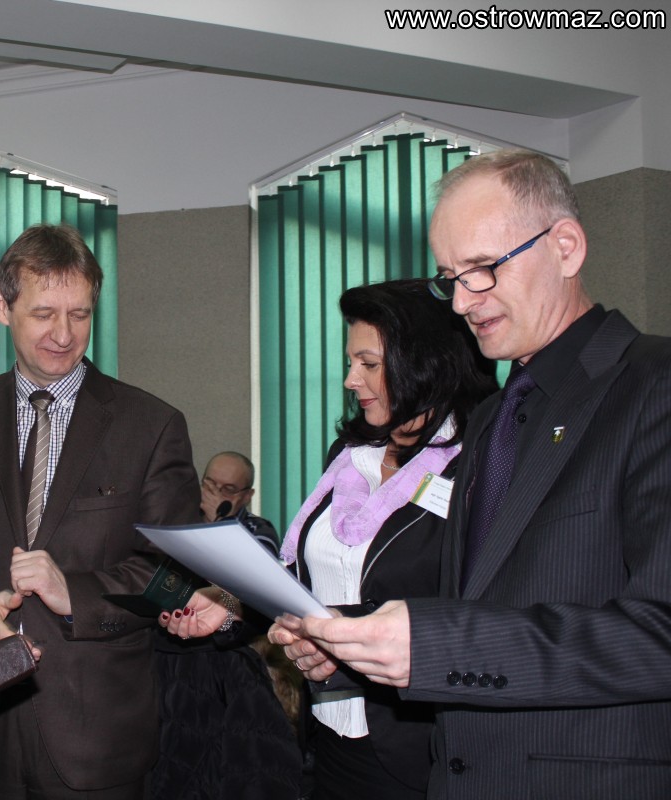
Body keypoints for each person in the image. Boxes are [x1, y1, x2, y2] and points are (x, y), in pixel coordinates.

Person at [276, 148, 671, 798]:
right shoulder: (493, 418)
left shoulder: (653, 386)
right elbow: (479, 605)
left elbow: (658, 632)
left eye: (484, 269)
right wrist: (349, 644)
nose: (462, 301)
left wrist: (436, 646)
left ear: (566, 247)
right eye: (449, 278)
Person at [0, 223, 200, 799]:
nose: (63, 334)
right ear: (3, 308)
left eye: (79, 315)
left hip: (96, 735)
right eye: (44, 314)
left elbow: (174, 576)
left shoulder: (150, 426)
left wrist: (74, 594)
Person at [165, 279, 495, 799]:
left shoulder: (481, 463)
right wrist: (230, 603)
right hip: (328, 736)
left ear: (424, 363)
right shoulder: (349, 455)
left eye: (368, 363)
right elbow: (306, 584)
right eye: (350, 361)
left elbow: (473, 610)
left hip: (421, 750)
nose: (349, 379)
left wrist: (340, 635)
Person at [199, 450, 278, 544]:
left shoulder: (260, 529)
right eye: (210, 484)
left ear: (247, 496)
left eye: (228, 489)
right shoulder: (185, 517)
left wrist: (222, 521)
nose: (216, 494)